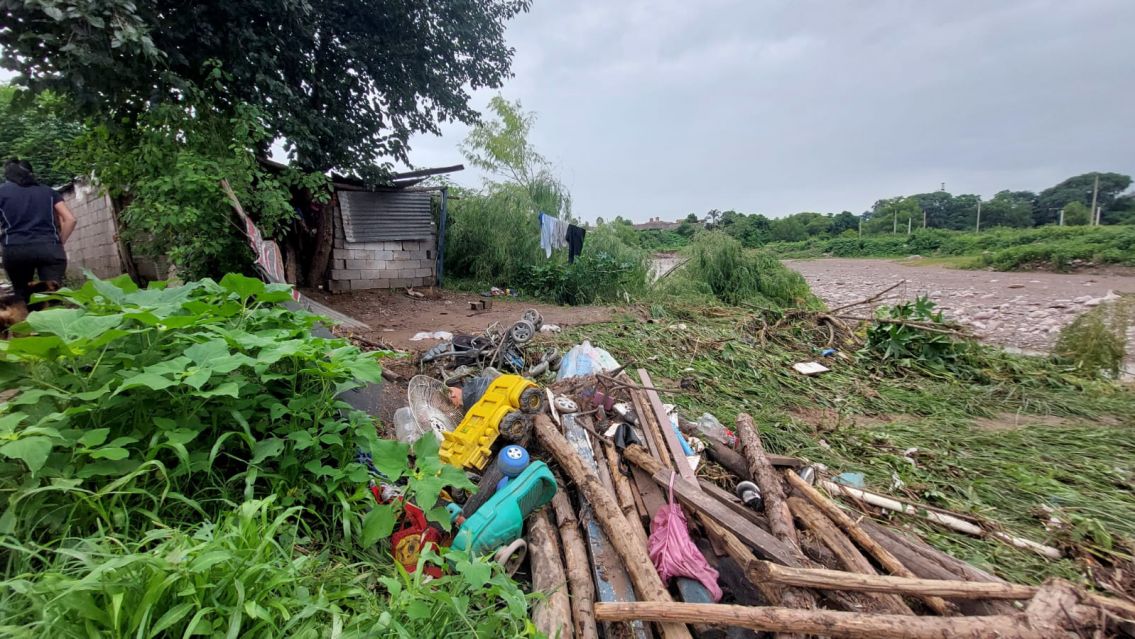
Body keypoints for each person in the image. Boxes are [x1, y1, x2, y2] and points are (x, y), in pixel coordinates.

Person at [0, 159, 76, 301]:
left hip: (15, 248)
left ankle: (26, 312)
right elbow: (70, 219)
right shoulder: (48, 191)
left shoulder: (2, 192)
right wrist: (59, 242)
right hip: (49, 247)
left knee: (22, 295)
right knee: (52, 295)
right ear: (31, 173)